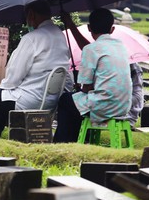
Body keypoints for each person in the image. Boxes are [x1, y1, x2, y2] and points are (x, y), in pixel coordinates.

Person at [0, 0, 72, 140]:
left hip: (27, 101)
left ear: (31, 14)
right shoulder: (61, 37)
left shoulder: (31, 39)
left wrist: (0, 90)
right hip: (49, 102)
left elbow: (13, 78)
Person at [53, 8, 132, 142]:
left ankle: (63, 142)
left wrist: (81, 86)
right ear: (112, 29)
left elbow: (86, 88)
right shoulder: (121, 47)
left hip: (104, 105)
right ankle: (80, 140)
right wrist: (71, 25)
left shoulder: (92, 49)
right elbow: (92, 49)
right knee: (76, 102)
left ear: (89, 28)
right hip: (123, 105)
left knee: (66, 99)